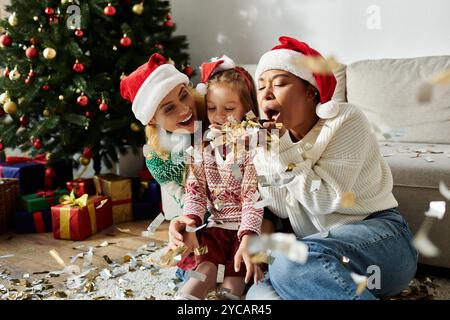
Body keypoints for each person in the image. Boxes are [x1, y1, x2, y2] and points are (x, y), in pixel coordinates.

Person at [243, 36, 418, 300]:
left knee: (290, 263)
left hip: (381, 241)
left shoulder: (345, 120)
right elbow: (279, 207)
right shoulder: (271, 144)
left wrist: (280, 152)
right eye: (261, 87)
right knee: (259, 295)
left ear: (309, 91)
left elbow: (323, 199)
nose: (267, 93)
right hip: (319, 256)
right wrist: (267, 153)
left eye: (279, 84)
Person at [172, 56, 265, 300]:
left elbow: (252, 196)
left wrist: (247, 235)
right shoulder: (202, 147)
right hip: (215, 228)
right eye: (212, 108)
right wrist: (191, 219)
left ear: (246, 108)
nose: (219, 116)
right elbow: (195, 190)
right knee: (204, 269)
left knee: (233, 280)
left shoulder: (253, 147)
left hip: (247, 230)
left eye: (229, 109)